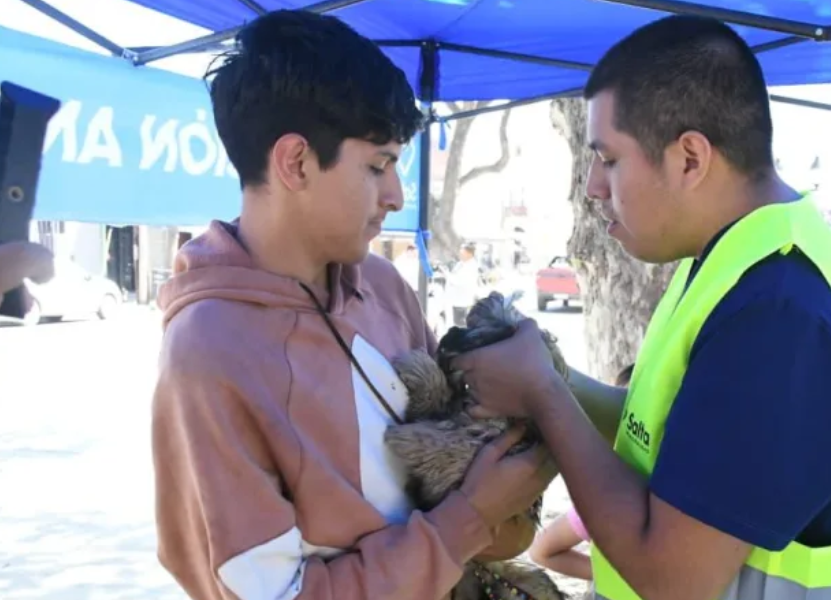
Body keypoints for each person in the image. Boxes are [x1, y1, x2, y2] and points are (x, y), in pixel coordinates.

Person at [453, 15, 831, 600]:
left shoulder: (779, 311)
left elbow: (674, 577)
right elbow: (668, 434)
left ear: (690, 158)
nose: (592, 185)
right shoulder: (729, 260)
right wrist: (555, 374)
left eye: (608, 159)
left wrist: (543, 392)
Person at [150, 10, 554, 600]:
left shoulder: (385, 286)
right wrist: (466, 518)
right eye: (377, 165)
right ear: (295, 163)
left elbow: (454, 465)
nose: (394, 195)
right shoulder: (208, 353)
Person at [528, 365, 633, 587]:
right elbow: (542, 551)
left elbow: (542, 552)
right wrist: (620, 576)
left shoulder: (608, 502)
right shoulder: (606, 505)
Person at [447, 243, 481, 327]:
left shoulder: (470, 267)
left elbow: (458, 281)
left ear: (469, 254)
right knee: (458, 322)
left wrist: (446, 274)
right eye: (460, 253)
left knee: (461, 324)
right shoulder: (461, 263)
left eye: (462, 253)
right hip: (457, 299)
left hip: (463, 300)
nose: (460, 255)